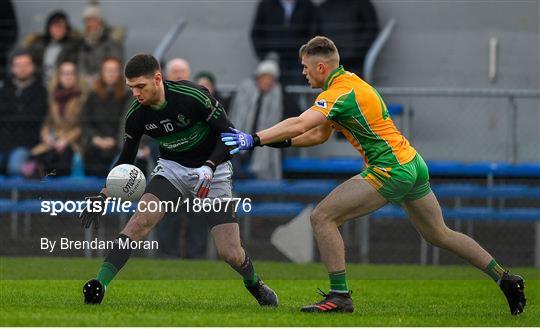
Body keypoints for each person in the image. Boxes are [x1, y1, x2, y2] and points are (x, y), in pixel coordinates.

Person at [221, 36, 526, 314]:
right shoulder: (349, 84)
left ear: (321, 66)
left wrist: (255, 138)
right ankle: (506, 279)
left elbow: (301, 123)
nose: (303, 73)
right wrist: (274, 142)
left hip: (390, 168)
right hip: (412, 163)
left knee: (322, 217)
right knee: (439, 234)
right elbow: (318, 135)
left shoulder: (340, 92)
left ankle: (339, 296)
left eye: (305, 67)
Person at [79, 54, 278, 307]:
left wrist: (209, 165)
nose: (136, 93)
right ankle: (100, 285)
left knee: (230, 253)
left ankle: (254, 283)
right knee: (139, 222)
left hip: (213, 172)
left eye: (140, 86)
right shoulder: (136, 115)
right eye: (131, 88)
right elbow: (126, 159)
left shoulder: (193, 96)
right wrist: (104, 195)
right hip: (172, 170)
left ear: (158, 78)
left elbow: (230, 137)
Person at [227, 59, 300, 179]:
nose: (267, 81)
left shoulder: (280, 95)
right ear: (258, 77)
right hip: (240, 141)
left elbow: (296, 116)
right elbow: (231, 112)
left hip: (265, 146)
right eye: (265, 77)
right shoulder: (244, 90)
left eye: (271, 78)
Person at [30, 60, 86, 177]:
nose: (68, 77)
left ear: (76, 76)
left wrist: (65, 140)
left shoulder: (82, 98)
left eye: (71, 73)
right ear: (59, 76)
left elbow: (82, 126)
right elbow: (47, 122)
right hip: (53, 139)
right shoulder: (53, 98)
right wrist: (45, 136)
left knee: (61, 162)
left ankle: (47, 178)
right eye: (65, 73)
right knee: (36, 158)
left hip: (72, 141)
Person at [0, 50, 48, 176]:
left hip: (27, 143)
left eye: (26, 65)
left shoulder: (41, 91)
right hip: (3, 141)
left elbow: (35, 116)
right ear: (12, 68)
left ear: (33, 66)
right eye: (18, 65)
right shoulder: (4, 89)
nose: (22, 69)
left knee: (15, 168)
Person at [81, 57, 130, 176]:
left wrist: (114, 140)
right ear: (102, 73)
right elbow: (85, 122)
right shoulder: (93, 95)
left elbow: (127, 122)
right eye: (108, 70)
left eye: (114, 70)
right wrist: (96, 139)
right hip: (96, 143)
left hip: (118, 143)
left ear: (119, 73)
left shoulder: (127, 95)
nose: (111, 74)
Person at [250, 0, 316, 85]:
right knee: (272, 89)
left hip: (298, 61)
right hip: (273, 59)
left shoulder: (307, 6)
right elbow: (256, 34)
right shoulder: (266, 5)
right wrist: (265, 56)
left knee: (296, 89)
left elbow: (313, 33)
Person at [315, 0, 379, 76]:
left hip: (353, 60)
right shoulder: (323, 7)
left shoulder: (362, 4)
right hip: (327, 60)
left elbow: (371, 30)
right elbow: (315, 35)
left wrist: (355, 51)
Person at [22, 10, 81, 83]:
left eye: (63, 27)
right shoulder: (38, 45)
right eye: (56, 26)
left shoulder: (73, 47)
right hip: (39, 83)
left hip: (62, 85)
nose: (60, 29)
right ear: (49, 27)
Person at [78, 3, 124, 85]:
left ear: (99, 21)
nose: (89, 24)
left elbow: (116, 63)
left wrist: (98, 78)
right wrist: (85, 77)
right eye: (87, 21)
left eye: (92, 20)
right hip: (86, 82)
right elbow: (81, 63)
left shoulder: (111, 39)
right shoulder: (82, 41)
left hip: (107, 81)